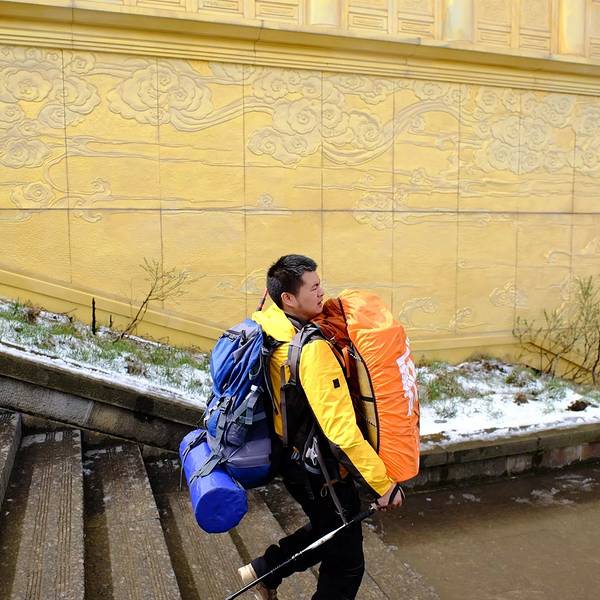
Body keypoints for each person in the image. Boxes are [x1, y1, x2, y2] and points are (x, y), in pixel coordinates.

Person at [238, 254, 403, 600]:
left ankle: (266, 570)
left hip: (290, 457)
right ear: (288, 298)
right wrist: (383, 484)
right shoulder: (312, 350)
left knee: (330, 532)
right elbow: (341, 431)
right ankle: (266, 569)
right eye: (313, 288)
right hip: (320, 471)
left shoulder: (270, 323)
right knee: (346, 565)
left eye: (319, 284)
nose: (321, 293)